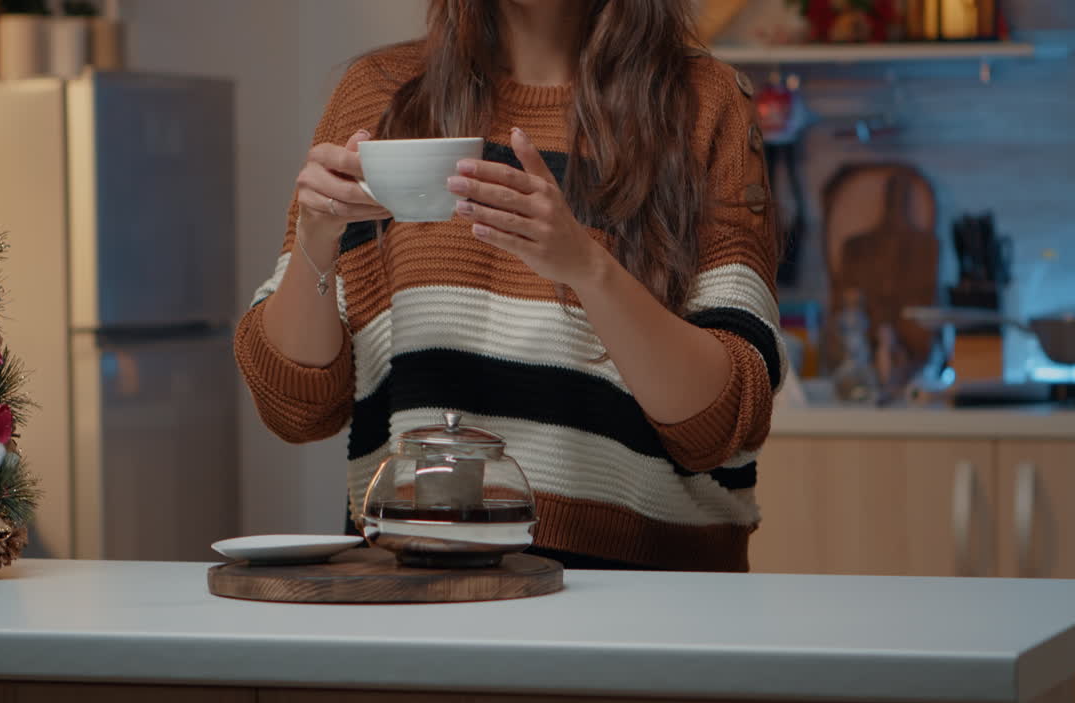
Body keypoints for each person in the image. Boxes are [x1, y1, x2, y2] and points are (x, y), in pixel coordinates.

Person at [235, 0, 785, 572]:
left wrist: (587, 267)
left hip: (642, 600)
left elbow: (724, 423)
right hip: (417, 592)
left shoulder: (703, 102)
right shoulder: (383, 95)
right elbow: (296, 407)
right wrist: (315, 240)